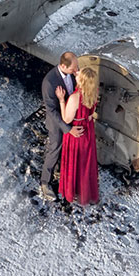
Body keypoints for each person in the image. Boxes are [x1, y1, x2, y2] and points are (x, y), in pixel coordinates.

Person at [39, 52, 83, 200]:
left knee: (67, 148)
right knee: (54, 149)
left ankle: (61, 171)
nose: (76, 70)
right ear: (63, 66)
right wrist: (68, 128)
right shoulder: (49, 82)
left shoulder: (72, 73)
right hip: (57, 123)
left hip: (70, 117)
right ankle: (45, 182)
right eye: (73, 68)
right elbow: (51, 111)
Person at [57, 67, 100, 206]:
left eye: (79, 74)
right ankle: (85, 191)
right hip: (87, 130)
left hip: (76, 132)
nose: (76, 73)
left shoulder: (75, 98)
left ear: (81, 80)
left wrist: (62, 100)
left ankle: (72, 192)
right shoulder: (94, 92)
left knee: (73, 162)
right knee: (85, 163)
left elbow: (66, 119)